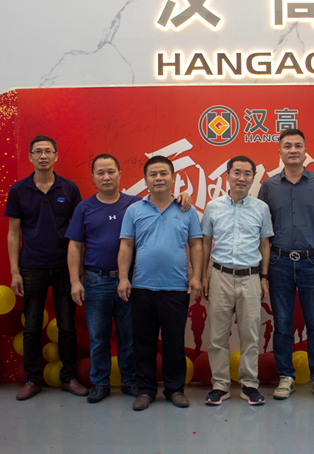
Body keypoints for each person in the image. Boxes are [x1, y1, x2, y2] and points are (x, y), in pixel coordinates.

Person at [66, 154, 192, 404]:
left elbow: (161, 200)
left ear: (120, 175)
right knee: (98, 337)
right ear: (93, 177)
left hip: (132, 282)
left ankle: (130, 382)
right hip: (97, 281)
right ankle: (100, 383)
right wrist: (75, 281)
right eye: (100, 173)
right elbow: (75, 245)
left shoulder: (134, 203)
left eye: (111, 171)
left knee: (130, 337)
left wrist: (183, 196)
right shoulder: (85, 207)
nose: (106, 177)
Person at [257, 129, 314, 401]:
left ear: (305, 151)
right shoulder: (268, 186)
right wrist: (263, 273)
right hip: (278, 262)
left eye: (298, 146)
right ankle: (286, 376)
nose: (293, 150)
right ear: (279, 152)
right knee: (282, 324)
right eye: (288, 146)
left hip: (312, 262)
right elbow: (262, 232)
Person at [117, 156, 203, 411]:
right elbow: (126, 245)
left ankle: (175, 389)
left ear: (173, 178)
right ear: (145, 180)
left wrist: (196, 276)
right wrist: (123, 278)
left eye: (164, 173)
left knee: (174, 341)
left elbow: (196, 244)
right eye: (153, 174)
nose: (158, 178)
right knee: (143, 342)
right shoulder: (135, 210)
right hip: (142, 287)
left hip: (176, 287)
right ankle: (145, 390)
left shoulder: (187, 209)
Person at [5, 135, 87, 401]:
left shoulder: (69, 188)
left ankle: (69, 378)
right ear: (30, 157)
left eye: (48, 151)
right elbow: (13, 233)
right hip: (31, 267)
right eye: (38, 151)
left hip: (64, 267)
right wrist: (14, 271)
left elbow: (80, 232)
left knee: (67, 326)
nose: (43, 156)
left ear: (56, 156)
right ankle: (32, 379)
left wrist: (78, 271)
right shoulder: (18, 190)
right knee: (31, 326)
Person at [200, 155, 273, 406]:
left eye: (247, 174)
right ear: (227, 176)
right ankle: (220, 385)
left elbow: (265, 244)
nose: (242, 178)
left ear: (253, 178)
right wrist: (203, 276)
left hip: (251, 278)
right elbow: (206, 243)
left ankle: (249, 384)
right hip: (220, 276)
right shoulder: (213, 207)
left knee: (250, 336)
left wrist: (264, 277)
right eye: (237, 172)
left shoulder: (261, 208)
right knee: (218, 337)